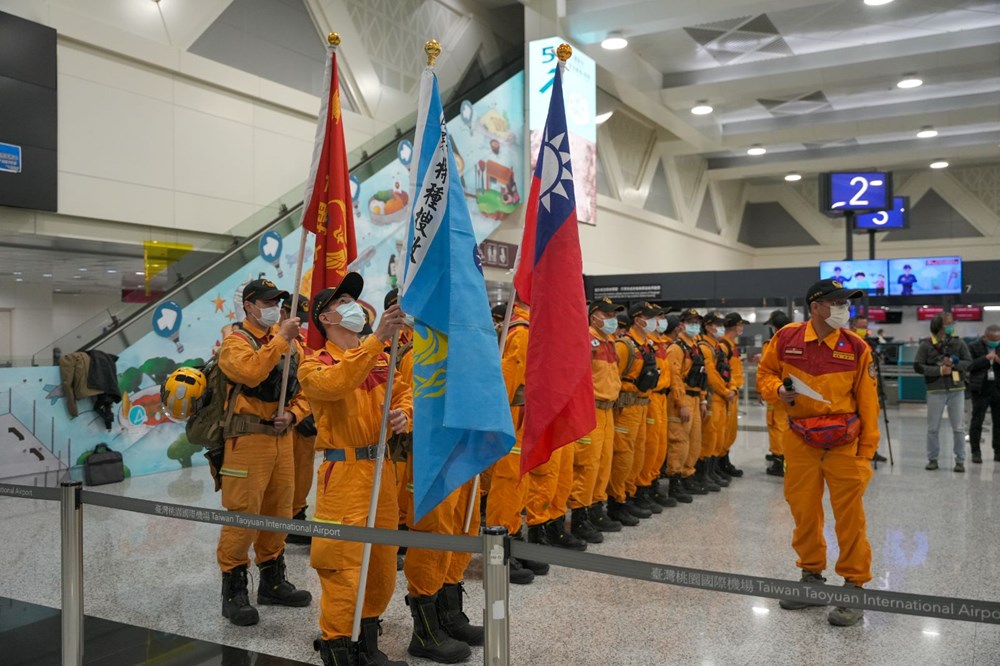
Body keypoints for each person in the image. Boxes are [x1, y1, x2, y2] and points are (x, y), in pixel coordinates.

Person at [298, 272, 411, 666]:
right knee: (344, 567)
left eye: (353, 300)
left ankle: (367, 640)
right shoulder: (314, 365)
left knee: (381, 562)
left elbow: (402, 391)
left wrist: (404, 415)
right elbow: (337, 385)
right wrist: (377, 338)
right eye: (342, 302)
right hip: (343, 476)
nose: (354, 307)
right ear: (326, 318)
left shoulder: (379, 357)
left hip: (382, 470)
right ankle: (337, 648)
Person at [758, 278, 880, 627]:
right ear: (815, 307)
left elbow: (869, 403)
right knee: (804, 512)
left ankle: (854, 585)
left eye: (846, 302)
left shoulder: (857, 348)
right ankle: (811, 577)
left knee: (850, 517)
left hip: (845, 444)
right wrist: (777, 391)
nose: (844, 308)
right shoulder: (786, 338)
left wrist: (866, 452)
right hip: (799, 441)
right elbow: (766, 373)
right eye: (837, 302)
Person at [386, 289, 480, 664]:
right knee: (433, 537)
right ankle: (424, 629)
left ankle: (448, 612)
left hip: (458, 455)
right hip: (431, 458)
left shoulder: (452, 348)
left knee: (461, 531)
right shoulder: (415, 355)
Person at [216, 279, 313, 627]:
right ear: (249, 305)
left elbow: (305, 389)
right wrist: (280, 338)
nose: (275, 307)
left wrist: (293, 414)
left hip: (282, 439)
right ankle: (234, 590)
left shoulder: (291, 347)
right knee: (243, 516)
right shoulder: (235, 342)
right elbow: (252, 372)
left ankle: (272, 580)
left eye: (278, 302)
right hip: (247, 442)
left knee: (279, 512)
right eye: (268, 302)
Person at [484, 296, 550, 584]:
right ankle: (497, 553)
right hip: (511, 416)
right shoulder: (521, 331)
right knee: (507, 484)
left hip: (523, 416)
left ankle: (513, 541)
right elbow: (507, 382)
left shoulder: (527, 327)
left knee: (518, 484)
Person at [568, 298, 625, 543]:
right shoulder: (585, 340)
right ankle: (579, 517)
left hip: (608, 410)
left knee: (603, 463)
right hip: (590, 410)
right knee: (587, 465)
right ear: (593, 316)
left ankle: (595, 509)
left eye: (614, 314)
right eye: (607, 313)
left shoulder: (609, 341)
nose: (612, 318)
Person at [606, 303, 661, 524]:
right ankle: (616, 501)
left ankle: (628, 496)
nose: (656, 322)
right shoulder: (625, 345)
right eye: (652, 318)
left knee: (637, 455)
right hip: (626, 408)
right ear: (638, 319)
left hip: (642, 405)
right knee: (622, 455)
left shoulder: (647, 345)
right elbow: (614, 378)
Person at [280, 294, 318, 546]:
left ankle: (297, 515)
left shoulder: (304, 343)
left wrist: (303, 410)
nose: (300, 324)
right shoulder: (273, 340)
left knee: (303, 471)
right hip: (280, 420)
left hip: (302, 417)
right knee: (283, 475)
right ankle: (283, 519)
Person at [914, 312, 972, 472]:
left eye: (952, 323)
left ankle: (960, 461)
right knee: (933, 427)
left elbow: (969, 362)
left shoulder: (958, 343)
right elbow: (918, 366)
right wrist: (939, 370)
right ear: (938, 326)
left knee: (958, 428)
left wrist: (955, 364)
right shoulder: (926, 345)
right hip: (935, 390)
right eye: (948, 324)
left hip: (956, 389)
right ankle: (932, 459)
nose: (951, 326)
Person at [669, 309, 710, 497]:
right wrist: (681, 403)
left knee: (694, 440)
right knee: (680, 441)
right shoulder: (676, 349)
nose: (694, 325)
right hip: (683, 399)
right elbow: (675, 378)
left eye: (697, 322)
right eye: (690, 322)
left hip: (695, 398)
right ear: (682, 325)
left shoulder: (696, 348)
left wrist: (703, 400)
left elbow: (702, 376)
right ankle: (675, 480)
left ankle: (687, 475)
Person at [696, 311, 735, 490]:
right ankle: (703, 473)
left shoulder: (718, 346)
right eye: (717, 324)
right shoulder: (704, 347)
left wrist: (732, 387)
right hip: (714, 397)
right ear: (708, 326)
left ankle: (712, 470)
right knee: (709, 435)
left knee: (719, 435)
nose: (720, 327)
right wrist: (725, 391)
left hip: (723, 397)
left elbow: (728, 369)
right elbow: (711, 375)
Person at [759, 310, 791, 477]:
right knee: (787, 425)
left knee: (776, 426)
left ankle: (779, 460)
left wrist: (761, 390)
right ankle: (785, 457)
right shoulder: (796, 343)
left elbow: (765, 370)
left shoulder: (772, 344)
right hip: (793, 391)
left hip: (776, 391)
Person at [719, 313, 747, 478]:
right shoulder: (723, 345)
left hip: (733, 392)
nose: (741, 328)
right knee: (722, 431)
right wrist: (729, 389)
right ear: (735, 326)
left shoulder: (732, 345)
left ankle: (724, 460)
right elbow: (722, 371)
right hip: (727, 394)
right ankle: (719, 463)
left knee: (730, 431)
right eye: (740, 325)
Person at [968, 325, 1000, 463]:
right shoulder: (973, 346)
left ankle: (998, 452)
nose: (996, 341)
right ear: (985, 337)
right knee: (977, 421)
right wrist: (985, 358)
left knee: (998, 422)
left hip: (998, 388)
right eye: (993, 339)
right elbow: (969, 365)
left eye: (998, 339)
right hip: (981, 389)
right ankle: (976, 451)